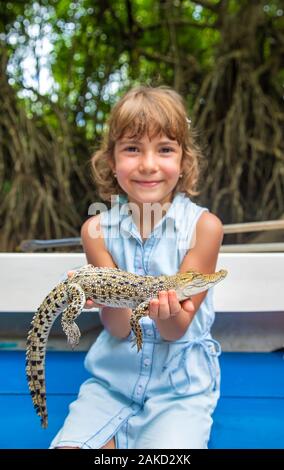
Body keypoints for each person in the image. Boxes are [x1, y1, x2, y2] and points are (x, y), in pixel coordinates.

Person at [50, 85, 224, 449]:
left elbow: (177, 330)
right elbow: (116, 328)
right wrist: (104, 296)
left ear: (183, 161)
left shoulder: (205, 229)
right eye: (132, 149)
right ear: (112, 162)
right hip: (111, 385)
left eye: (164, 149)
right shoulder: (95, 231)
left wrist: (165, 313)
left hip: (179, 391)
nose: (148, 164)